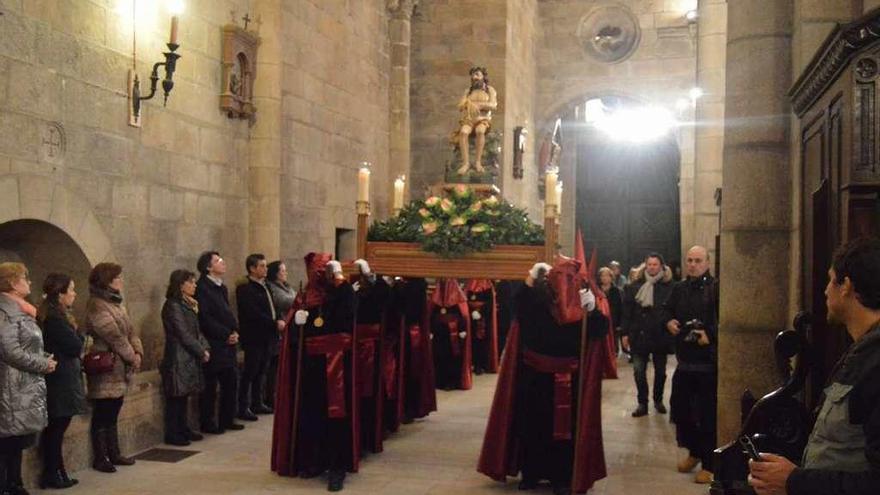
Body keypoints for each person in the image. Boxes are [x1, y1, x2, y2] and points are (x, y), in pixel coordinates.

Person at [748, 237, 880, 495]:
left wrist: (793, 481)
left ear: (846, 286)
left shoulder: (875, 363)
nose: (825, 290)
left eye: (831, 280)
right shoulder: (861, 350)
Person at [478, 259, 609, 495]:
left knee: (565, 433)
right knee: (532, 426)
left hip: (568, 378)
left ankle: (562, 477)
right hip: (535, 377)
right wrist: (530, 278)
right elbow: (517, 305)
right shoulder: (537, 301)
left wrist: (593, 311)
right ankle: (532, 473)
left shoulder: (581, 307)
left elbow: (600, 331)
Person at [272, 254, 358, 492]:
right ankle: (312, 461)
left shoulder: (342, 293)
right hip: (310, 366)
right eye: (316, 271)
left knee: (336, 417)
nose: (319, 275)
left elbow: (348, 313)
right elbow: (294, 339)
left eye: (324, 270)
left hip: (336, 364)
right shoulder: (303, 297)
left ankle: (337, 467)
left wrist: (340, 278)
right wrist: (296, 325)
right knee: (311, 414)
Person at [661, 245, 718, 484]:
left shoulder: (716, 289)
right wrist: (669, 322)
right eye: (689, 260)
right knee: (683, 412)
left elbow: (728, 319)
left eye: (698, 260)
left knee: (706, 415)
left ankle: (709, 462)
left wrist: (710, 336)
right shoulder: (679, 288)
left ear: (707, 262)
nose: (693, 264)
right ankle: (693, 453)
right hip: (685, 363)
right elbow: (665, 311)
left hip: (707, 365)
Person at [0, 263, 57, 495]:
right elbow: (9, 350)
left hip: (23, 385)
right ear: (13, 283)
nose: (30, 282)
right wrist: (43, 363)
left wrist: (43, 357)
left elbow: (25, 345)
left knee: (17, 441)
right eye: (25, 277)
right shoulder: (5, 312)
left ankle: (15, 483)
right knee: (7, 441)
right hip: (11, 386)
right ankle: (7, 486)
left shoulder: (20, 310)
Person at [38, 273, 87, 489]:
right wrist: (81, 337)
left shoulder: (57, 314)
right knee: (56, 428)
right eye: (72, 289)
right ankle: (53, 473)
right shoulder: (55, 318)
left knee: (58, 427)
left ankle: (57, 471)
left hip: (64, 375)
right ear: (60, 294)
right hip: (60, 379)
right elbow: (76, 346)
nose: (75, 294)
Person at [195, 251, 243, 434]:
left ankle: (227, 418)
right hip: (214, 342)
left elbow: (227, 312)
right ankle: (207, 421)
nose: (222, 262)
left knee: (231, 381)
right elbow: (205, 318)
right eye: (217, 261)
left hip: (228, 341)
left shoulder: (221, 287)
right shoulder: (202, 288)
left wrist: (235, 331)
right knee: (210, 385)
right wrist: (225, 334)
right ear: (208, 267)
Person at [160, 269, 210, 446]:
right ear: (181, 285)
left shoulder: (189, 304)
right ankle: (173, 432)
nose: (195, 285)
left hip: (188, 356)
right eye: (191, 282)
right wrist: (200, 351)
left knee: (184, 396)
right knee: (176, 397)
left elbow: (196, 331)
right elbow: (182, 333)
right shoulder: (173, 305)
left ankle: (183, 427)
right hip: (178, 357)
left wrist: (205, 347)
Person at [621, 254, 674, 417]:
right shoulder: (634, 286)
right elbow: (627, 312)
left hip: (660, 334)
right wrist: (624, 333)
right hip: (639, 334)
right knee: (638, 370)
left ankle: (658, 399)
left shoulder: (669, 287)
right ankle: (642, 403)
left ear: (661, 267)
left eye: (655, 264)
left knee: (660, 372)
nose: (652, 267)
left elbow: (672, 309)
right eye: (649, 264)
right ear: (645, 266)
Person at [236, 253, 284, 421]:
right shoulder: (245, 288)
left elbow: (273, 306)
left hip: (268, 336)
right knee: (251, 371)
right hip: (254, 336)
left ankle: (258, 402)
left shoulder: (266, 285)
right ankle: (243, 406)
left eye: (265, 265)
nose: (265, 269)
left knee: (262, 370)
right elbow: (253, 313)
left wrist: (278, 318)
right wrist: (273, 323)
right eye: (262, 266)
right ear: (252, 268)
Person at [351, 259, 391, 454]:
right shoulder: (351, 289)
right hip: (353, 347)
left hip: (371, 348)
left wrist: (373, 278)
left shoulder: (378, 288)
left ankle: (372, 433)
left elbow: (384, 300)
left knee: (371, 391)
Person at [389, 277, 436, 423]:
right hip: (397, 333)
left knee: (410, 371)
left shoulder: (416, 284)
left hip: (409, 333)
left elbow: (410, 310)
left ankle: (409, 408)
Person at [453, 66, 498, 174]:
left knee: (480, 131)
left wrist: (478, 105)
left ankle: (478, 162)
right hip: (469, 119)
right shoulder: (468, 91)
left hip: (483, 119)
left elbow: (493, 105)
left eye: (477, 74)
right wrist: (467, 103)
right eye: (473, 75)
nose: (474, 77)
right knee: (463, 132)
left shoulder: (490, 90)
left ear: (483, 76)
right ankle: (466, 163)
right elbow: (460, 106)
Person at [429, 279, 472, 391]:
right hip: (439, 332)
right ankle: (440, 381)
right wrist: (431, 330)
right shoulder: (436, 298)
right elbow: (431, 314)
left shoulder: (459, 298)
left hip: (453, 333)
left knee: (452, 357)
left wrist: (462, 329)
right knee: (439, 356)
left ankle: (451, 381)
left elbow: (464, 315)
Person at [266, 260, 295, 408]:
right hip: (278, 331)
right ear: (276, 274)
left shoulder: (287, 286)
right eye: (283, 271)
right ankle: (271, 398)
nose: (286, 273)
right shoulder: (272, 287)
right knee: (274, 368)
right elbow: (287, 301)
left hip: (289, 329)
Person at [465, 279, 500, 375]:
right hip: (471, 317)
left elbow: (489, 303)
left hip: (483, 319)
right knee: (472, 341)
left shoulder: (488, 287)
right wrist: (471, 311)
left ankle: (480, 365)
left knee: (482, 342)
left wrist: (480, 312)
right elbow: (465, 300)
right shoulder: (469, 285)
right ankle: (472, 363)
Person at [597, 267, 623, 356]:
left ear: (611, 277)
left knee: (613, 343)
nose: (604, 278)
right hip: (599, 320)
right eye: (602, 276)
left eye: (607, 275)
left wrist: (620, 323)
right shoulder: (596, 290)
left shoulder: (616, 291)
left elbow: (620, 307)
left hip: (613, 320)